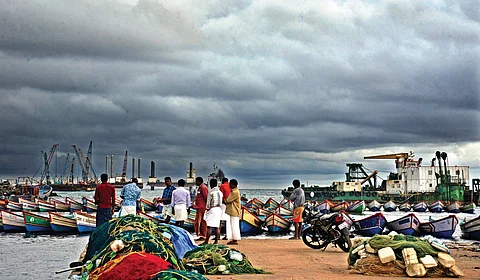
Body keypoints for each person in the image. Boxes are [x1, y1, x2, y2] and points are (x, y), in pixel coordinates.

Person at [202, 179, 223, 245]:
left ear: (211, 184)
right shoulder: (220, 192)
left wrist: (207, 210)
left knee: (209, 226)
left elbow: (208, 204)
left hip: (213, 209)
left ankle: (206, 241)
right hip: (219, 209)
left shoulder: (211, 193)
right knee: (217, 226)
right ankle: (216, 241)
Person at [225, 179, 241, 245]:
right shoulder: (235, 191)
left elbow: (228, 200)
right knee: (233, 225)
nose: (229, 185)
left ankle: (235, 239)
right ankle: (234, 238)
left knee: (234, 225)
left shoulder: (235, 192)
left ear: (233, 185)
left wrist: (224, 199)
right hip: (234, 211)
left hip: (234, 210)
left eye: (230, 184)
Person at [192, 177, 208, 241]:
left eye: (196, 181)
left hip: (201, 208)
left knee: (201, 222)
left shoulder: (203, 187)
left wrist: (206, 207)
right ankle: (200, 234)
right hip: (198, 207)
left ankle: (203, 235)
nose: (195, 182)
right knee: (198, 222)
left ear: (199, 181)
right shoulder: (200, 188)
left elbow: (206, 197)